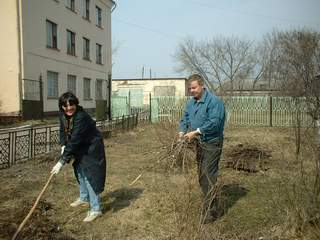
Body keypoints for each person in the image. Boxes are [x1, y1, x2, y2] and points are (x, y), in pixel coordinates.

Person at [51, 91, 107, 222]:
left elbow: (75, 139)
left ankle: (96, 209)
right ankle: (84, 197)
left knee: (90, 176)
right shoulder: (63, 115)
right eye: (65, 106)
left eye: (71, 105)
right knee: (79, 171)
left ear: (76, 104)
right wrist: (63, 145)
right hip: (80, 146)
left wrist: (61, 162)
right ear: (62, 107)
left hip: (91, 147)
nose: (69, 108)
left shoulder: (81, 117)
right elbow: (62, 132)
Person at [179, 74, 225, 224]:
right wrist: (182, 131)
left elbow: (215, 123)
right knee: (201, 175)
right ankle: (213, 205)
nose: (191, 91)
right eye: (189, 88)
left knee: (208, 175)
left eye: (194, 87)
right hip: (198, 144)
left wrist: (196, 131)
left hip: (211, 143)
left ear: (202, 86)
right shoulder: (191, 103)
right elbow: (185, 118)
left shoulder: (214, 102)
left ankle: (211, 212)